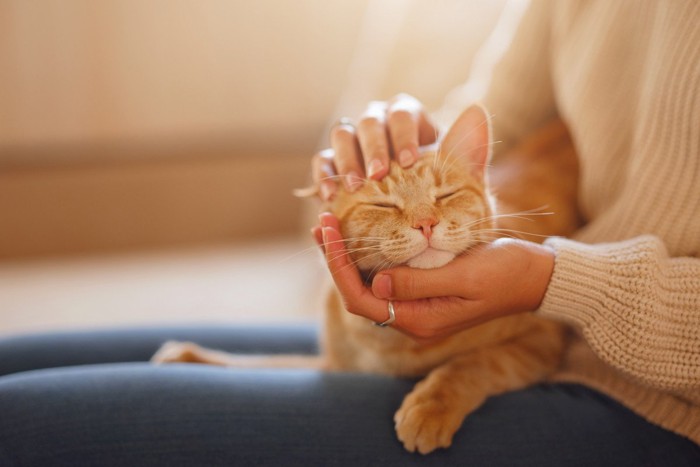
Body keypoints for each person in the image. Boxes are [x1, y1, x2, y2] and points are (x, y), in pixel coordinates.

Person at [1, 1, 698, 465]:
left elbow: (543, 308)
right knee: (18, 362)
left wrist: (554, 279)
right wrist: (392, 144)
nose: (420, 225)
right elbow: (487, 129)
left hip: (651, 401)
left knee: (19, 422)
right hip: (532, 303)